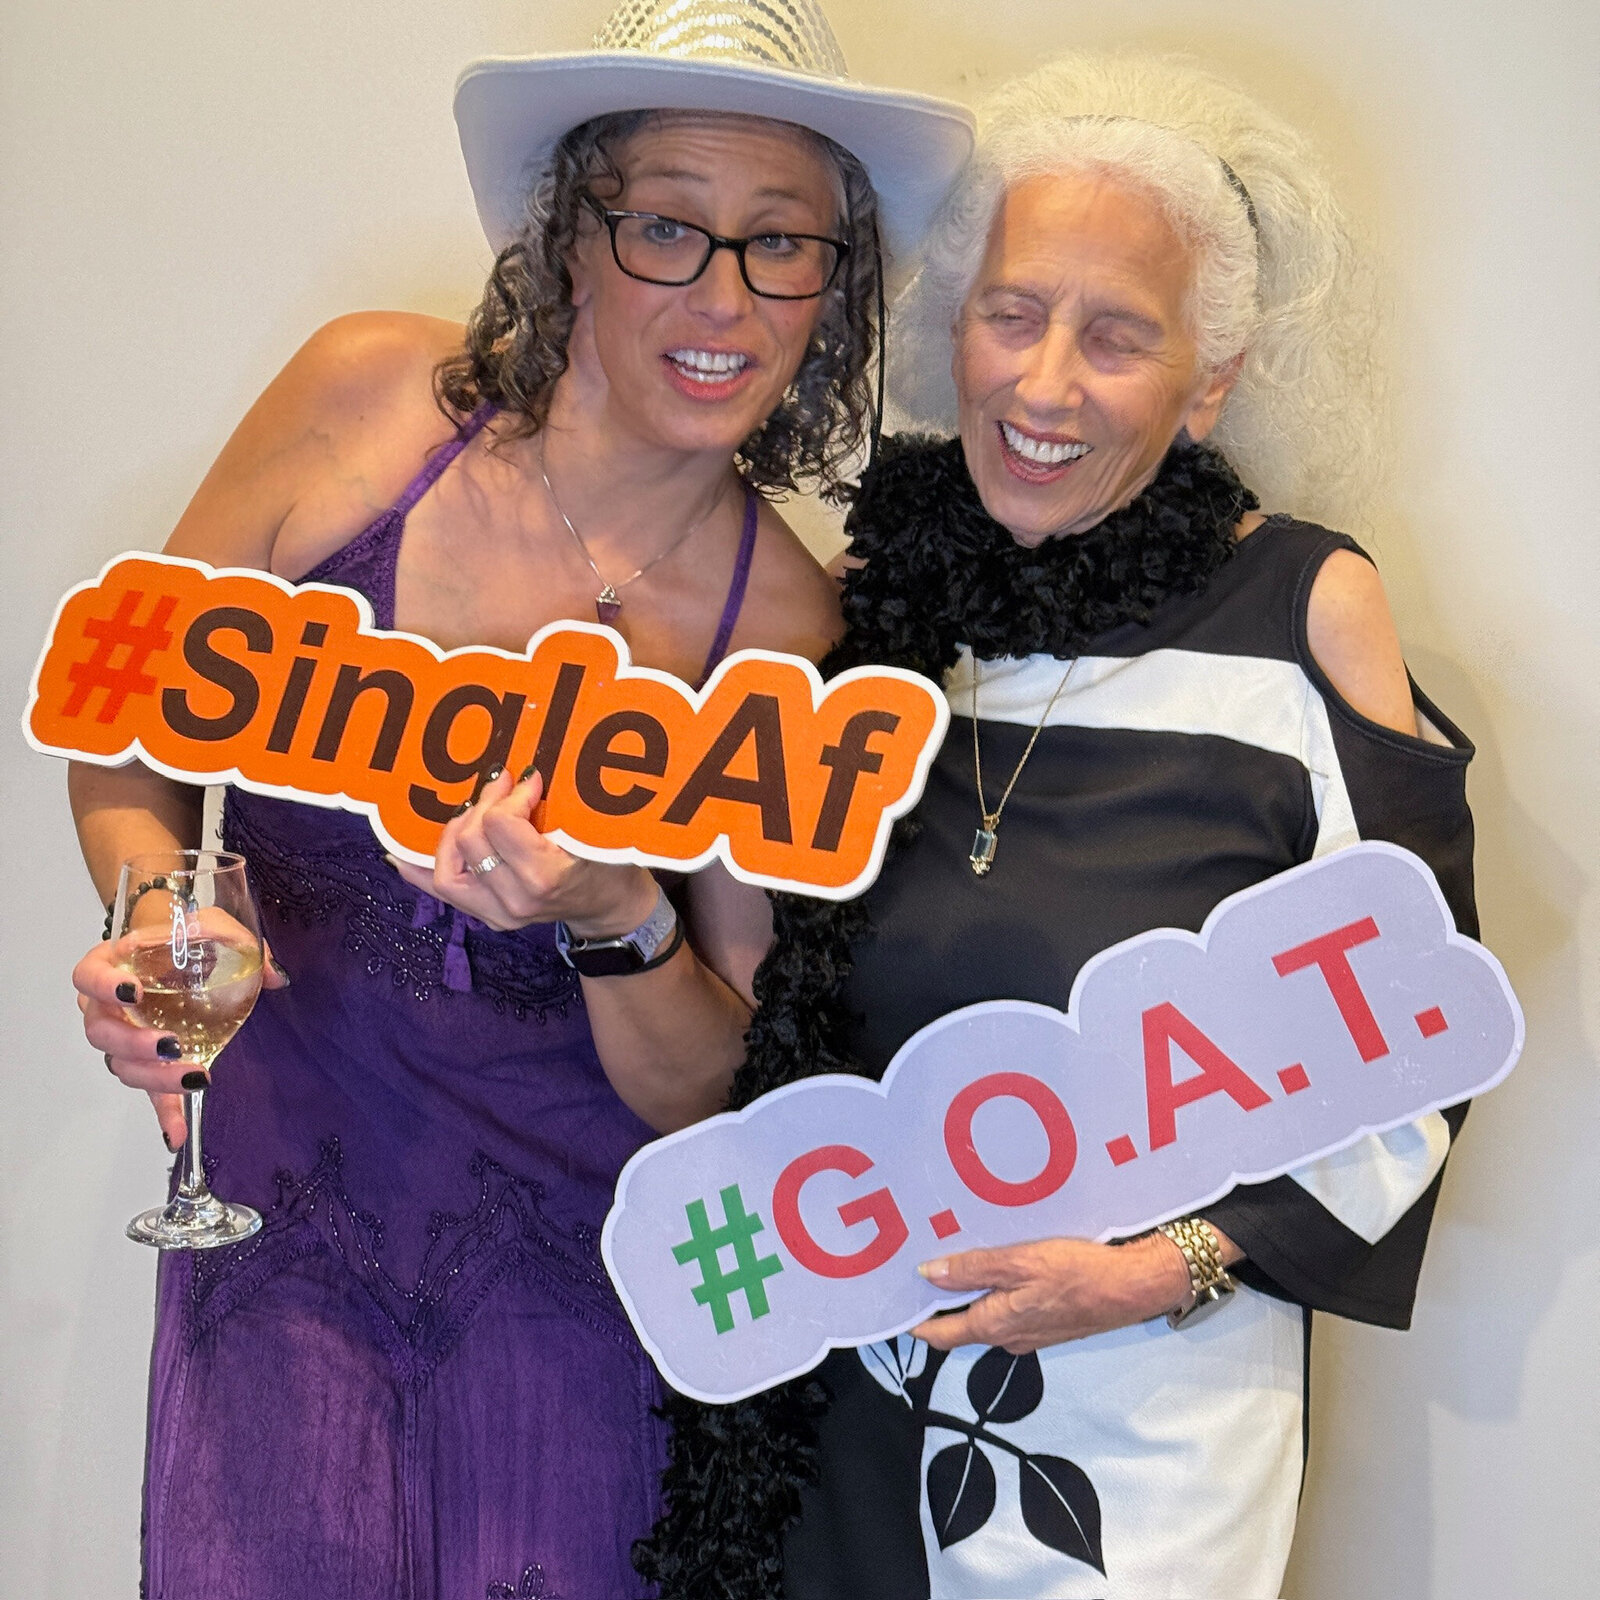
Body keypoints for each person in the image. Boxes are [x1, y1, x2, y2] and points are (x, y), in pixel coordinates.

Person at [65, 2, 972, 1594]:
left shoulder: (793, 634)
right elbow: (125, 731)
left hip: (570, 1307)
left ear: (834, 286)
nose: (726, 295)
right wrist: (155, 913)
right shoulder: (361, 403)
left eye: (783, 244)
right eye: (668, 229)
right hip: (280, 1239)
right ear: (569, 241)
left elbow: (715, 1096)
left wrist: (618, 919)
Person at [636, 52, 1477, 1600]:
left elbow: (1427, 1036)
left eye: (1117, 336)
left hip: (1137, 1421)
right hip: (832, 1399)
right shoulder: (870, 620)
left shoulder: (1303, 608)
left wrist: (1161, 1271)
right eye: (1012, 314)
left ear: (1207, 383)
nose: (1043, 385)